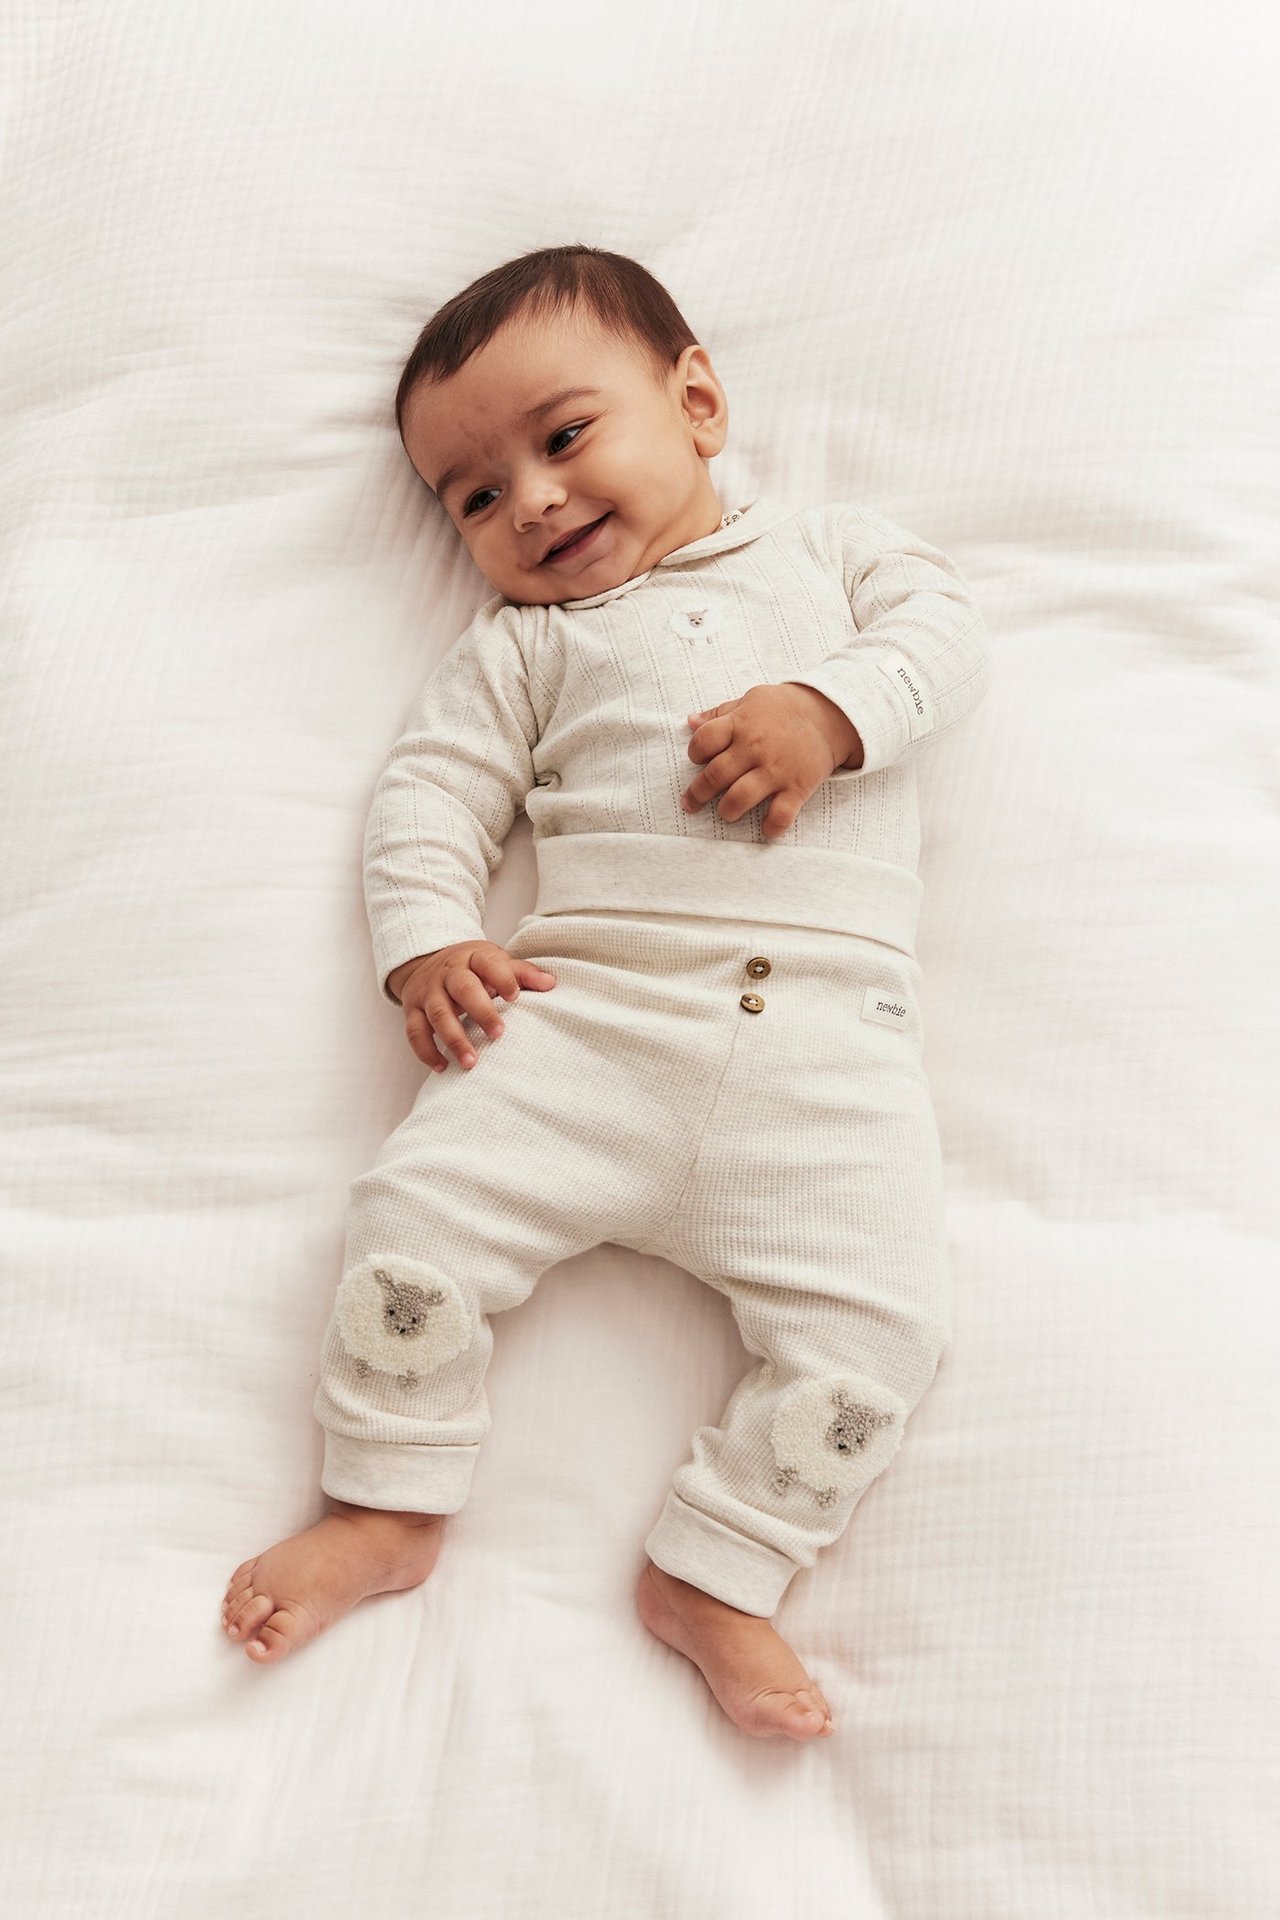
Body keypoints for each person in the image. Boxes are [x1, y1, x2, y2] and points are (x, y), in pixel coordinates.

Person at [221, 244, 992, 1742]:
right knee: (411, 1218)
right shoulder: (522, 650)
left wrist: (827, 713)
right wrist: (430, 943)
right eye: (476, 495)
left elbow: (946, 643)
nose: (535, 503)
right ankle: (385, 1501)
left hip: (829, 1060)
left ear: (697, 400)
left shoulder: (833, 560)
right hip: (591, 1027)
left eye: (564, 438)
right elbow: (430, 800)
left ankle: (724, 1567)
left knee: (885, 1330)